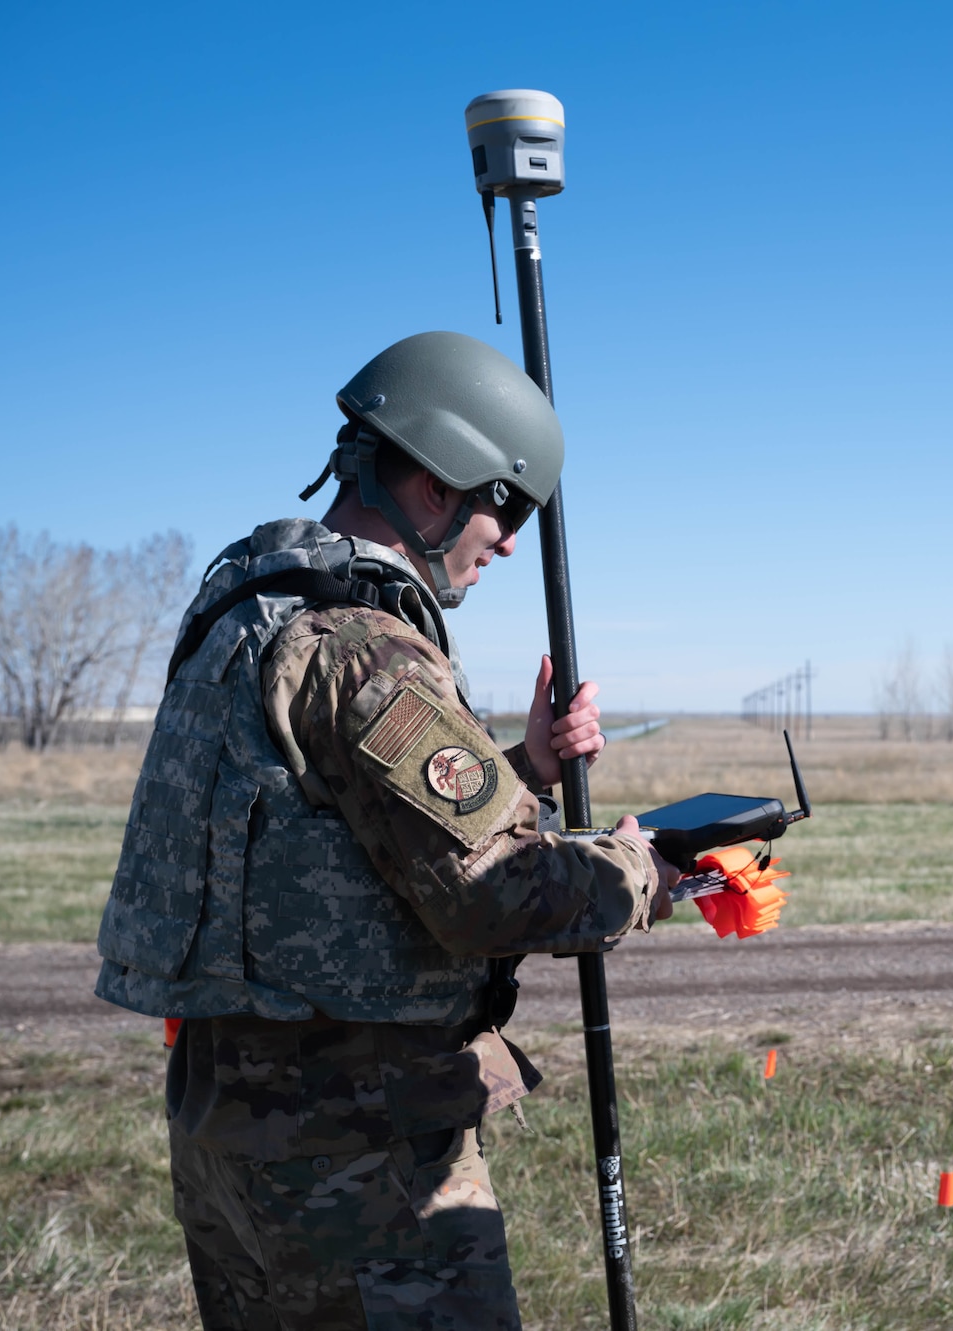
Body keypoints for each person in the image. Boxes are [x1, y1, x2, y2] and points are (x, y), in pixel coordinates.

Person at [94, 330, 675, 1330]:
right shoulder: (363, 643)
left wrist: (525, 769)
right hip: (355, 1156)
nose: (493, 561)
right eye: (497, 529)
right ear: (441, 484)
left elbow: (321, 832)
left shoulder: (245, 606)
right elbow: (495, 891)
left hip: (228, 1136)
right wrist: (638, 865)